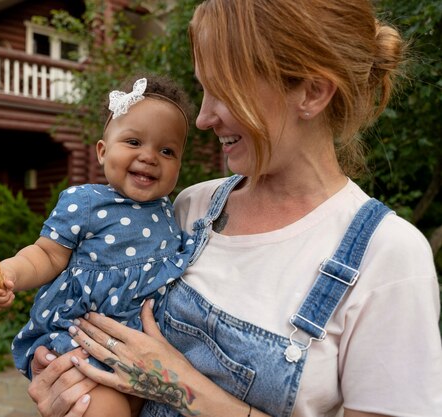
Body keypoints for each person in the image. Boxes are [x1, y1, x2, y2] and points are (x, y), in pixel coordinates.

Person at [25, 0, 442, 416]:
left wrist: (181, 386)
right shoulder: (189, 208)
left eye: (224, 91)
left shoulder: (387, 258)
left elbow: (161, 379)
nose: (204, 118)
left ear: (312, 92)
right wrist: (73, 388)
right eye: (204, 89)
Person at [0, 74, 196, 417]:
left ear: (179, 165)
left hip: (150, 353)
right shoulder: (85, 202)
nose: (150, 156)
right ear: (102, 150)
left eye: (167, 150)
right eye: (134, 141)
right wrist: (8, 273)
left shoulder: (170, 212)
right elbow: (46, 255)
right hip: (90, 342)